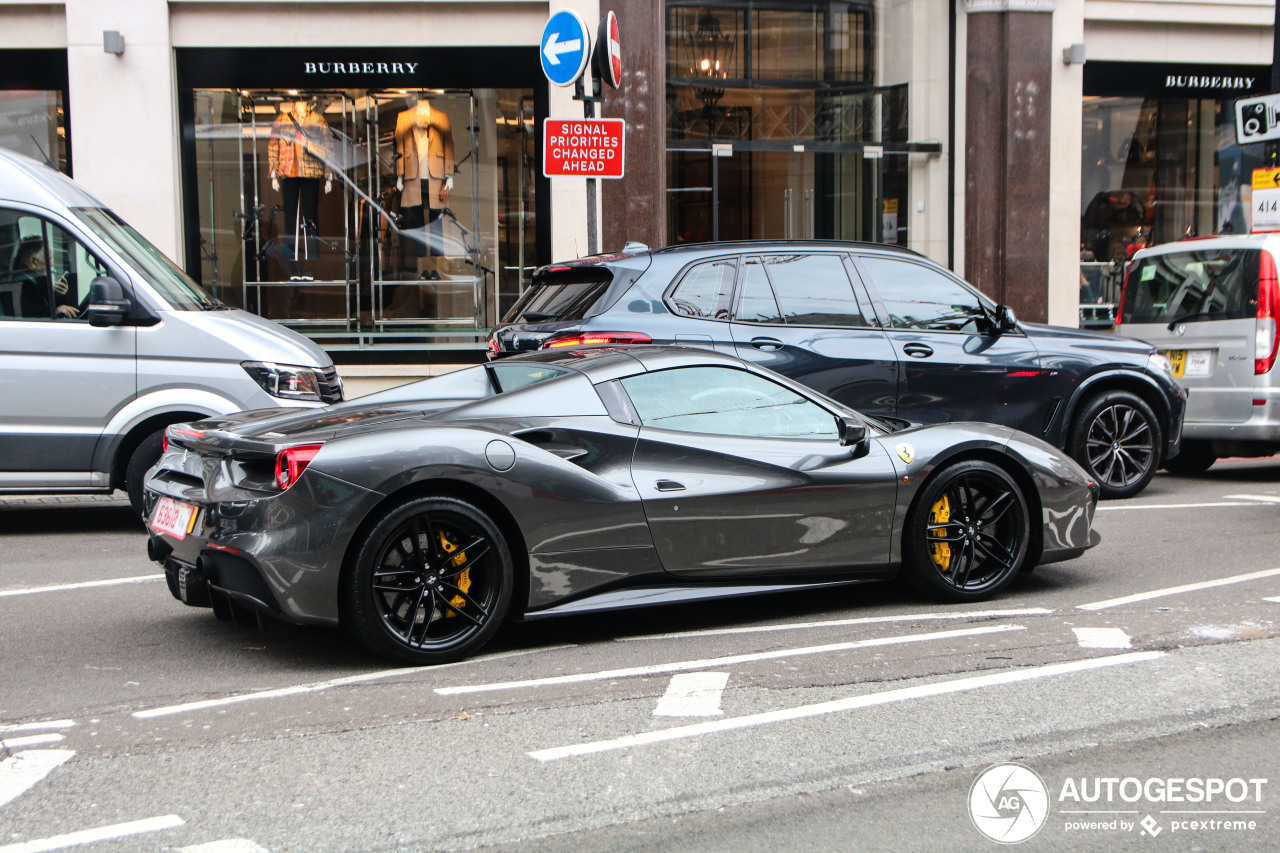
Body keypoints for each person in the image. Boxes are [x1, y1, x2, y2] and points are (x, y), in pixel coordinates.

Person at [15, 238, 79, 318]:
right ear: (34, 262)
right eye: (49, 259)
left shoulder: (36, 282)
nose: (51, 264)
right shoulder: (20, 284)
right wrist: (56, 311)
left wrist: (58, 295)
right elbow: (30, 313)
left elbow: (43, 305)